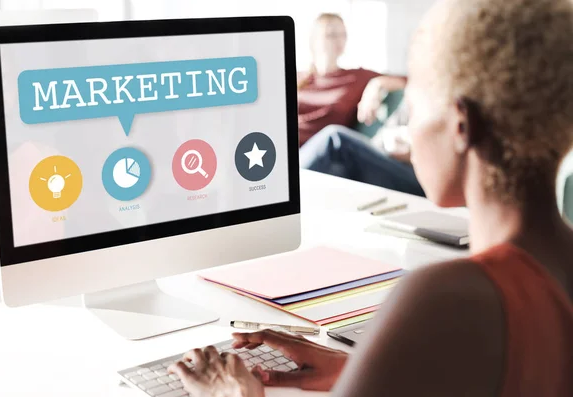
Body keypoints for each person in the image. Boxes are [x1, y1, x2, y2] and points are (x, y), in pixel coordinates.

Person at [168, 0, 573, 395]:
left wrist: (231, 392)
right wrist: (363, 370)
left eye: (413, 108)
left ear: (460, 125)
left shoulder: (448, 296)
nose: (410, 130)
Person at [296, 13, 407, 146]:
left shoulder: (355, 78)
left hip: (324, 149)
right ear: (314, 41)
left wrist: (376, 84)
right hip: (285, 148)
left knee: (334, 135)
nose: (339, 40)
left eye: (343, 35)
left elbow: (406, 80)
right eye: (331, 35)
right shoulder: (297, 78)